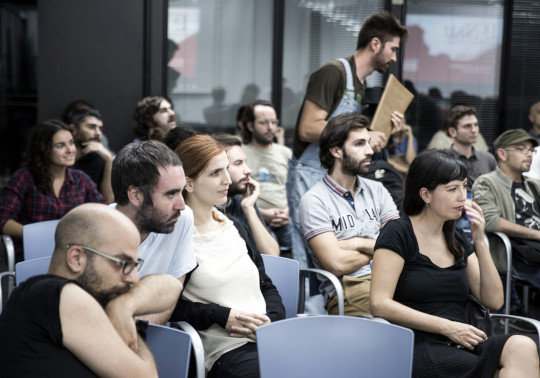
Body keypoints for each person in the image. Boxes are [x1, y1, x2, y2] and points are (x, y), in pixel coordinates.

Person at [370, 149, 539, 377]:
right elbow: (379, 303)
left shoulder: (455, 238)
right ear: (426, 195)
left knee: (523, 345)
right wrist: (447, 327)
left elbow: (494, 300)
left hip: (463, 339)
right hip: (417, 342)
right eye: (452, 189)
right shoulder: (398, 232)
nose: (463, 196)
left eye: (464, 186)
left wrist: (479, 240)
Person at [0, 203, 183, 377]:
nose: (134, 277)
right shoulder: (57, 294)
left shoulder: (99, 295)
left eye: (135, 265)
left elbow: (173, 286)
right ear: (77, 258)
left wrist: (125, 306)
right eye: (122, 263)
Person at [288, 10, 408, 267]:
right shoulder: (334, 73)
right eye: (393, 49)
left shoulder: (361, 85)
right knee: (309, 262)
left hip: (334, 173)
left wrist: (382, 134)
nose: (394, 58)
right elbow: (307, 128)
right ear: (375, 44)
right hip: (309, 175)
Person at [173, 135, 285, 377]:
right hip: (225, 349)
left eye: (226, 169)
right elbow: (170, 307)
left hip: (268, 338)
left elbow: (265, 284)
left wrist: (272, 320)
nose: (227, 180)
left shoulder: (234, 226)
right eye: (215, 173)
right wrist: (221, 316)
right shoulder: (177, 236)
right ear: (189, 183)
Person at [299, 113, 399, 315]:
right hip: (350, 288)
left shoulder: (377, 189)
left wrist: (357, 243)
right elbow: (337, 263)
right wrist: (381, 249)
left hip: (393, 278)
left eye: (369, 143)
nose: (370, 151)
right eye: (360, 144)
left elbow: (400, 245)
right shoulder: (314, 200)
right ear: (336, 150)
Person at [111, 140, 197, 324]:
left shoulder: (181, 219)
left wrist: (135, 335)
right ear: (136, 195)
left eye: (182, 192)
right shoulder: (94, 231)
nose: (181, 205)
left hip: (145, 336)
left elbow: (168, 301)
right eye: (171, 194)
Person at [0, 120, 105, 261]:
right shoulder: (24, 177)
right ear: (44, 149)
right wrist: (39, 235)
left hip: (72, 253)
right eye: (60, 146)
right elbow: (4, 221)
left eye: (71, 143)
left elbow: (104, 212)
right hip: (33, 253)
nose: (70, 150)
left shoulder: (80, 179)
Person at [473, 129, 540, 308]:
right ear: (502, 154)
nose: (529, 154)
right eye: (521, 148)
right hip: (517, 254)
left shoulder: (533, 185)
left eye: (531, 150)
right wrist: (536, 235)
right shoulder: (487, 182)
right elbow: (491, 222)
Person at [214, 134, 280, 256]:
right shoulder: (202, 208)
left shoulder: (243, 201)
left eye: (245, 162)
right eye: (238, 163)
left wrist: (249, 208)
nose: (248, 170)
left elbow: (272, 255)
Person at [241, 100, 292, 254]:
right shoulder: (240, 153)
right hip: (252, 218)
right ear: (250, 126)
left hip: (285, 219)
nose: (271, 127)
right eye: (263, 122)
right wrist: (262, 213)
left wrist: (287, 212)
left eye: (273, 122)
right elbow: (233, 194)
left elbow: (295, 191)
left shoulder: (285, 152)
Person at [445, 105, 497, 192]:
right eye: (467, 126)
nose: (474, 130)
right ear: (452, 132)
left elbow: (496, 191)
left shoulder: (488, 159)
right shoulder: (443, 161)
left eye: (476, 125)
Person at [68, 108, 114, 203]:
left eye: (100, 129)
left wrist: (109, 160)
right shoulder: (60, 156)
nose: (98, 133)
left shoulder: (99, 159)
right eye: (92, 127)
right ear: (74, 129)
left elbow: (108, 202)